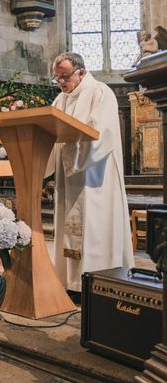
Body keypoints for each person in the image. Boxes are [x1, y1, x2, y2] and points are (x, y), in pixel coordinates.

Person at [47, 52, 133, 301]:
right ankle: (71, 282)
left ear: (81, 72)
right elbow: (51, 135)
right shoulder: (59, 100)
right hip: (70, 177)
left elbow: (101, 133)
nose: (61, 82)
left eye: (65, 76)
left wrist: (75, 155)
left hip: (95, 177)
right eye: (58, 78)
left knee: (95, 227)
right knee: (69, 228)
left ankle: (97, 283)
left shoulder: (101, 92)